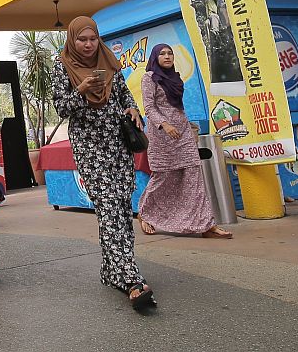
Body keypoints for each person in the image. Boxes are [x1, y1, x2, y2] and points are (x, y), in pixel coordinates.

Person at [51, 16, 156, 311]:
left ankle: (111, 271)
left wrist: (133, 108)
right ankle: (130, 279)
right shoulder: (62, 66)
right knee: (109, 208)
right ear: (73, 40)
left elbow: (124, 96)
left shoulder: (108, 62)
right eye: (82, 39)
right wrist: (82, 88)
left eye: (92, 39)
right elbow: (61, 107)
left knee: (121, 207)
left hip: (118, 144)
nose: (87, 45)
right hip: (90, 147)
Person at [138, 44, 233, 239]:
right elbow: (149, 107)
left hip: (183, 133)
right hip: (162, 135)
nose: (167, 56)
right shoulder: (149, 78)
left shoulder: (175, 77)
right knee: (163, 177)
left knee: (193, 176)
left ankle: (206, 225)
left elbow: (178, 108)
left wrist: (186, 127)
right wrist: (165, 124)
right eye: (162, 54)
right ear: (155, 58)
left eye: (170, 53)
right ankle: (145, 213)